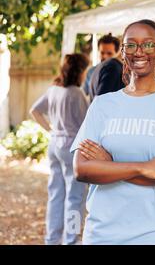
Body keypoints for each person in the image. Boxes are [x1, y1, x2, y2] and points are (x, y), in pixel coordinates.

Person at [70, 19, 155, 244]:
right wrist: (145, 167)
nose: (139, 51)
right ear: (123, 52)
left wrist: (109, 165)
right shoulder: (102, 104)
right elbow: (81, 168)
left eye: (148, 44)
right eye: (131, 45)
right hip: (104, 236)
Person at [29, 53, 90, 245]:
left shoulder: (54, 90)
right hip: (71, 149)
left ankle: (52, 239)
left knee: (56, 195)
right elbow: (86, 125)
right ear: (80, 71)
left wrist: (51, 129)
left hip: (54, 144)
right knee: (74, 198)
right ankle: (71, 241)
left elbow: (34, 111)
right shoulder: (76, 94)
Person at [87, 34, 124, 101]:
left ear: (117, 52)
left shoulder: (115, 67)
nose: (105, 56)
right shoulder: (112, 68)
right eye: (102, 53)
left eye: (109, 53)